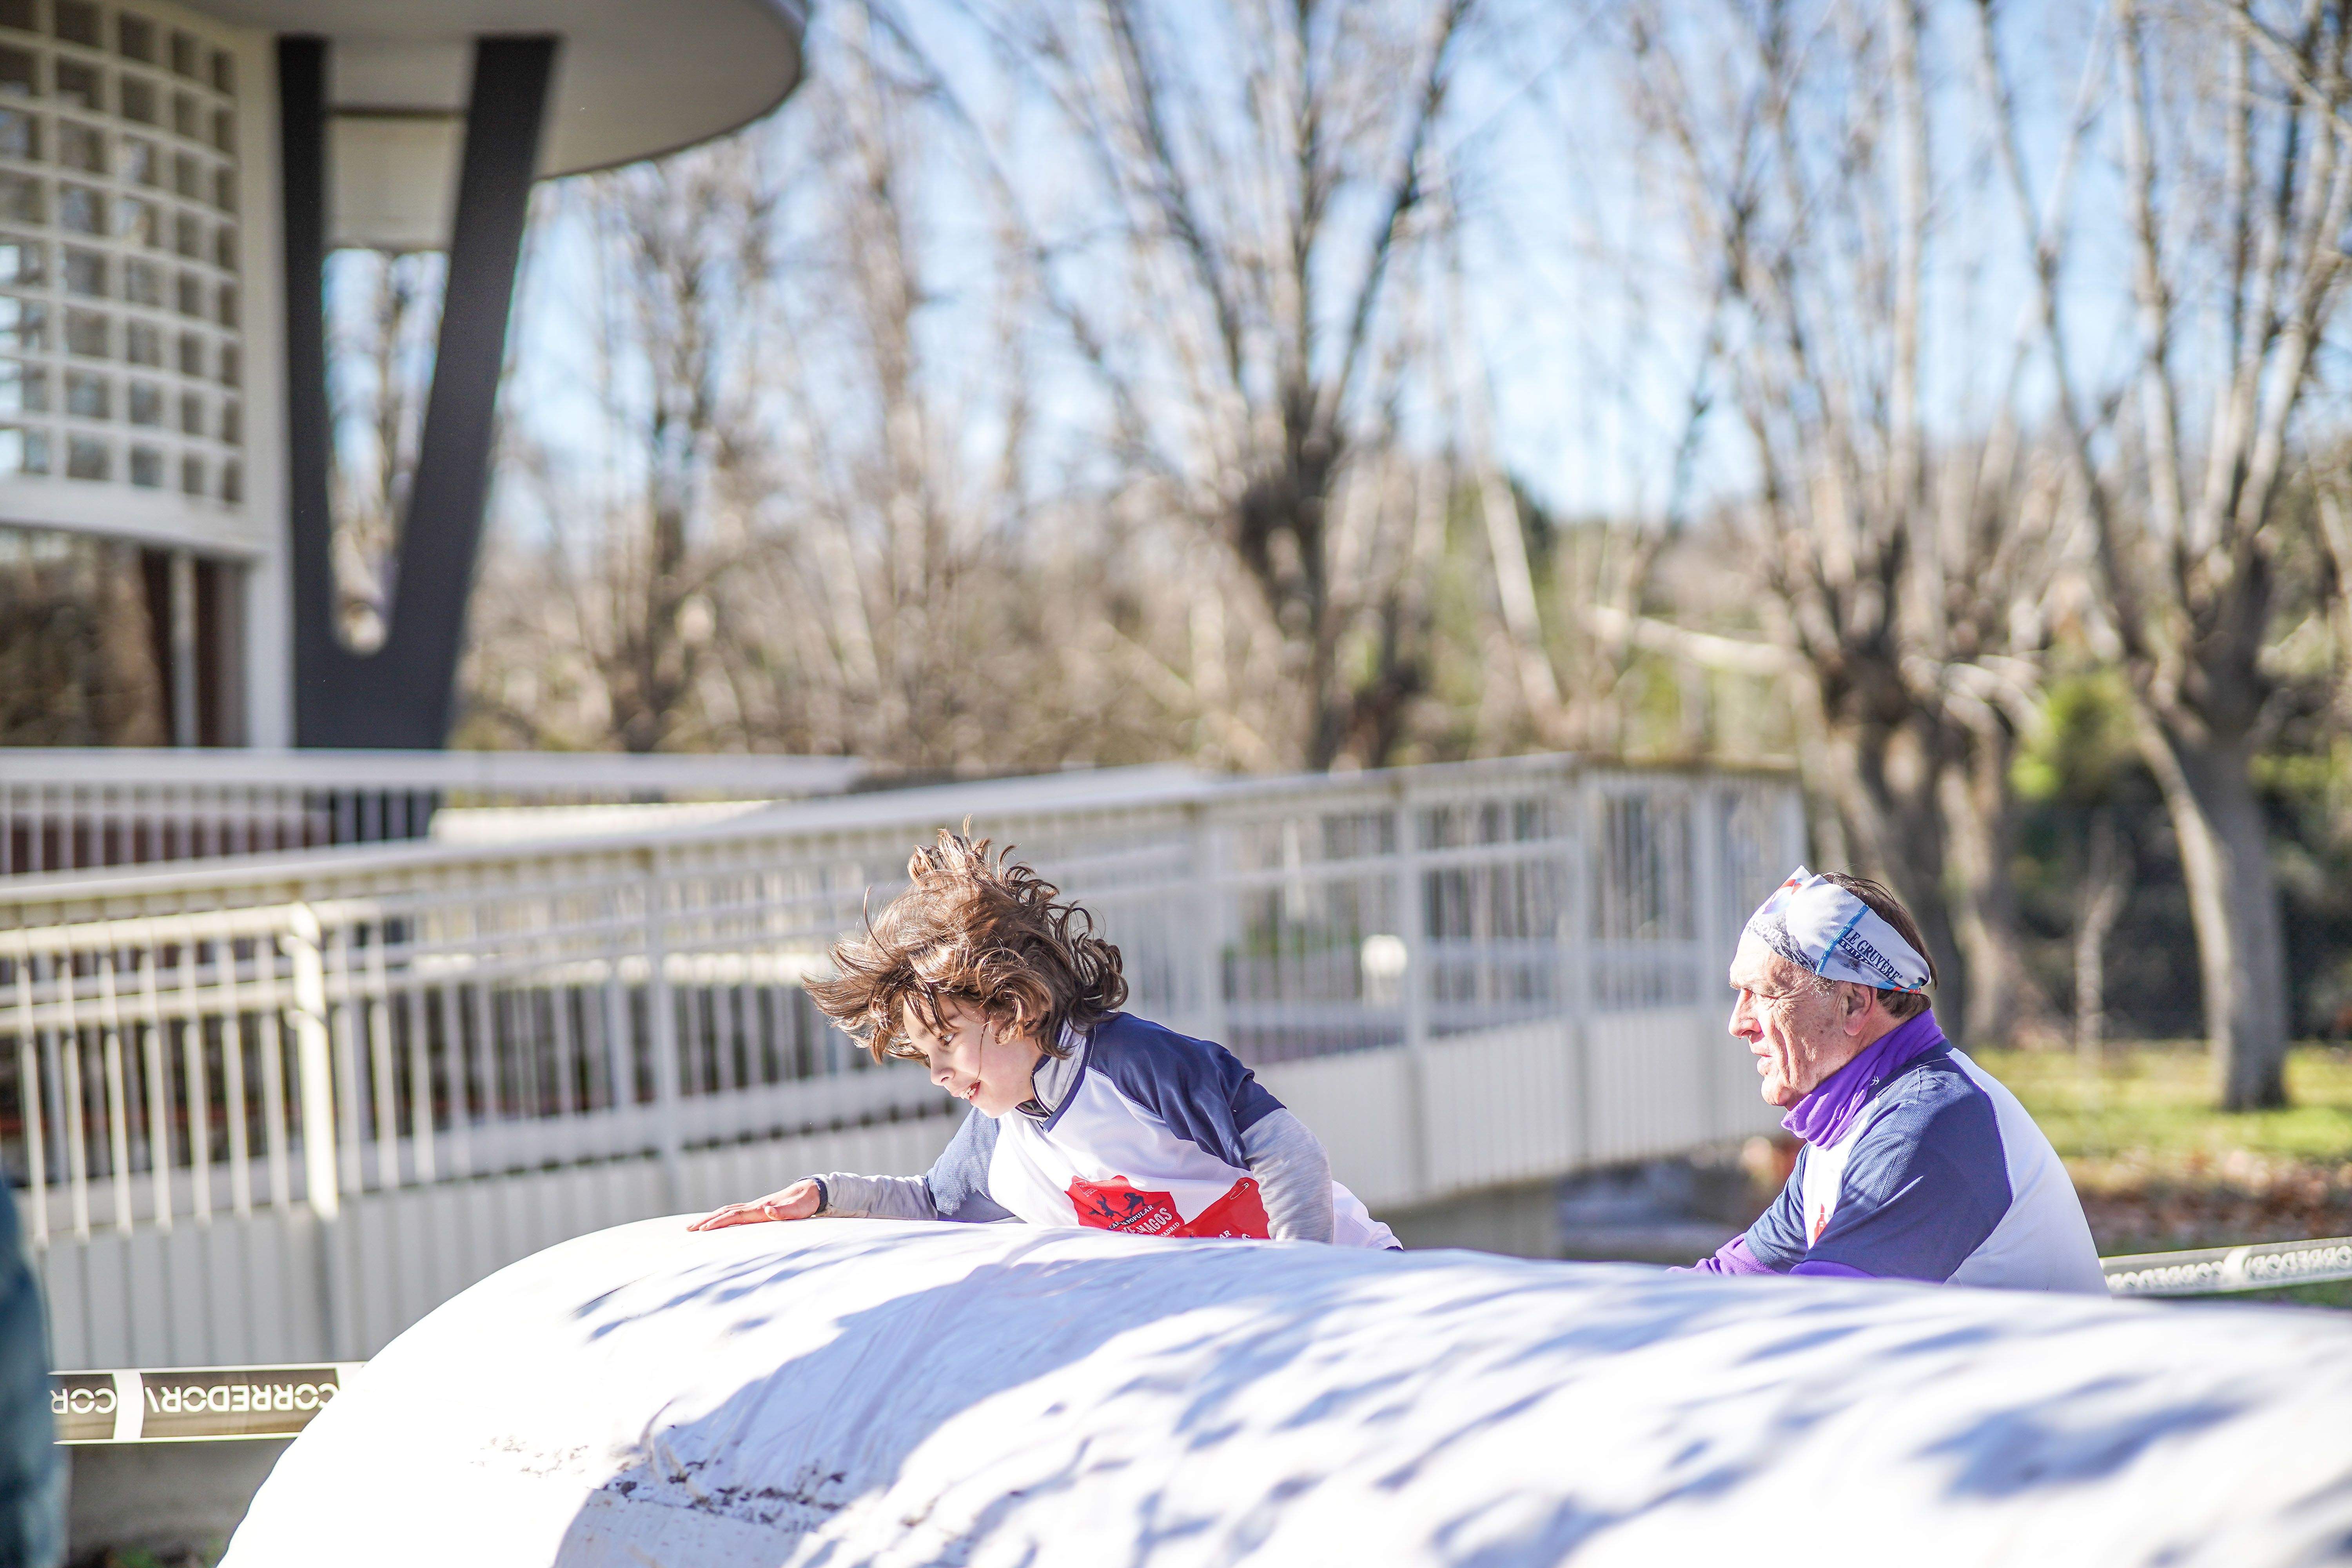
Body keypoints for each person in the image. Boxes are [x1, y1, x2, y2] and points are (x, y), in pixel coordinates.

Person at [691, 830, 1398, 1248]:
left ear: (1011, 1009)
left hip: (1359, 1280)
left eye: (945, 1043)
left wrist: (1310, 1281)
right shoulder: (998, 1136)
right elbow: (934, 1204)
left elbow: (1285, 1149)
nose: (936, 1072)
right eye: (924, 1058)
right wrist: (821, 1195)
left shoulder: (1130, 1062)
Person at [1684, 867, 2105, 1293]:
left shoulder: (1927, 1126)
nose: (1739, 1023)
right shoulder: (1851, 1128)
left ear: (1852, 1004)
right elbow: (1730, 1285)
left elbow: (1817, 1325)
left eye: (1766, 993)